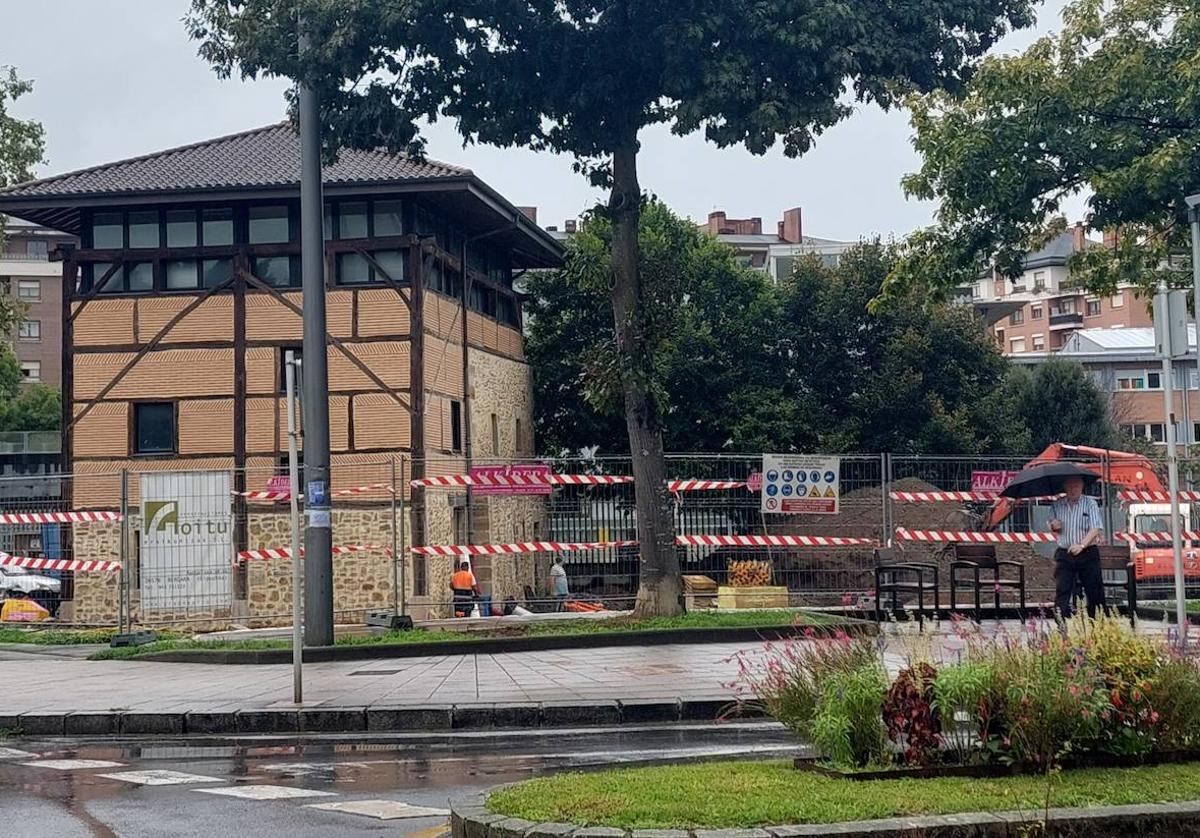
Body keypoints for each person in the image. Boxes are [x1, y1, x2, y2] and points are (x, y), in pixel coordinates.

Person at [1048, 475, 1105, 619]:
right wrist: (1053, 526)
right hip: (1065, 553)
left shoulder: (1090, 503)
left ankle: (1097, 622)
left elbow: (1095, 528)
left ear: (1082, 487)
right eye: (1070, 486)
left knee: (1094, 590)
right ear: (1065, 488)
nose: (1073, 489)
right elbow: (1050, 524)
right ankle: (1061, 623)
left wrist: (1081, 545)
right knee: (1062, 589)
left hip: (1087, 552)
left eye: (1076, 486)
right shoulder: (1057, 505)